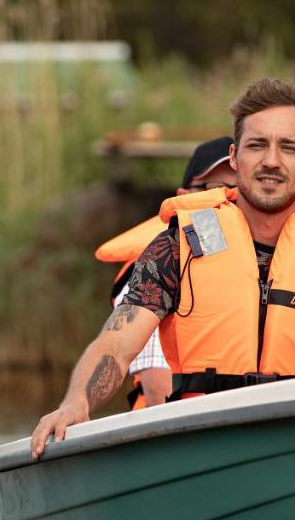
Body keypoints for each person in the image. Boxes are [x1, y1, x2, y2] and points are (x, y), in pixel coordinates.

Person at [32, 78, 295, 458]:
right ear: (236, 156)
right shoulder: (178, 245)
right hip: (204, 439)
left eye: (288, 148)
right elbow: (117, 343)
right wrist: (78, 401)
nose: (271, 160)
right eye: (257, 145)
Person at [93, 136, 238, 409]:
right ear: (183, 197)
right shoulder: (156, 263)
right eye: (215, 188)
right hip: (187, 433)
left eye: (238, 189)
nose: (228, 198)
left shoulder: (263, 265)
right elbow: (159, 392)